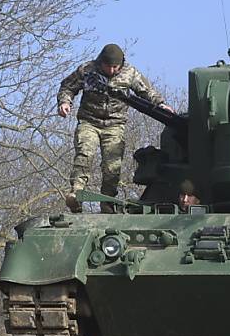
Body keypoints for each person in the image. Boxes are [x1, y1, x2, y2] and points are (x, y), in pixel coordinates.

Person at [57, 43, 173, 213]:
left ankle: (107, 202)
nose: (111, 71)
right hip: (90, 121)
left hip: (114, 125)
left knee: (112, 165)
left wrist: (160, 104)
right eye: (108, 66)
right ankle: (77, 193)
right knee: (85, 153)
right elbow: (68, 86)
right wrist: (65, 102)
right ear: (100, 62)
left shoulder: (130, 73)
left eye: (115, 67)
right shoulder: (87, 70)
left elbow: (147, 91)